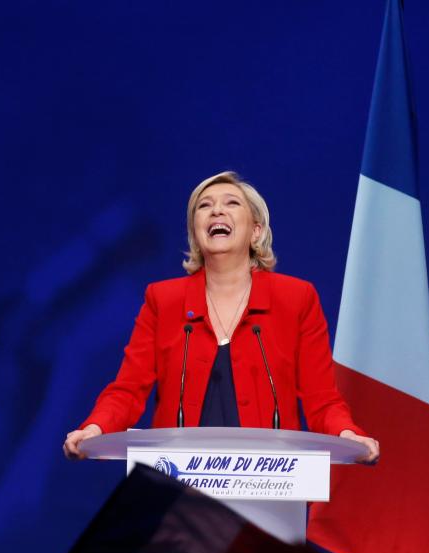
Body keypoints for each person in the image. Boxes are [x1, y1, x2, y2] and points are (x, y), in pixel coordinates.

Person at [63, 171, 379, 463]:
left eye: (231, 203)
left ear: (256, 231)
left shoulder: (296, 299)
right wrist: (96, 427)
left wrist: (346, 434)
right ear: (195, 232)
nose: (216, 211)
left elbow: (321, 399)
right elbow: (128, 391)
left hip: (270, 488)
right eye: (204, 206)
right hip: (176, 492)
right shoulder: (163, 300)